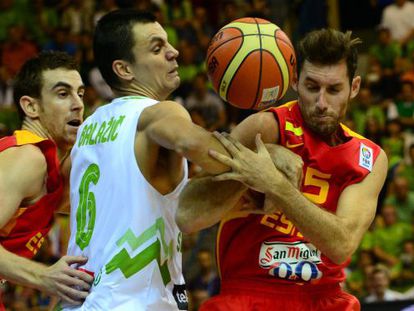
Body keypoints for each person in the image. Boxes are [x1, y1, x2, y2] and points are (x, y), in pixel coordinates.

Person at [62, 9, 301, 310]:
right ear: (124, 70)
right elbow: (194, 143)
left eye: (169, 44)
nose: (174, 52)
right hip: (133, 301)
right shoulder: (159, 112)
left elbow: (63, 200)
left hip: (80, 301)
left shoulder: (90, 127)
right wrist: (267, 157)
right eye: (157, 47)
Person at [177, 28, 388, 310]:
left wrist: (274, 184)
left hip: (324, 300)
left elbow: (341, 245)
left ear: (355, 87)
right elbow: (188, 216)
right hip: (249, 292)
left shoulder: (369, 157)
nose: (322, 103)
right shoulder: (265, 127)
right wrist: (252, 167)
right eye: (312, 87)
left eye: (334, 89)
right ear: (295, 82)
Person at [0, 51, 94, 308]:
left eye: (81, 93)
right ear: (31, 107)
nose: (78, 104)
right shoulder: (27, 158)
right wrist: (43, 276)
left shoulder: (50, 166)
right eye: (63, 94)